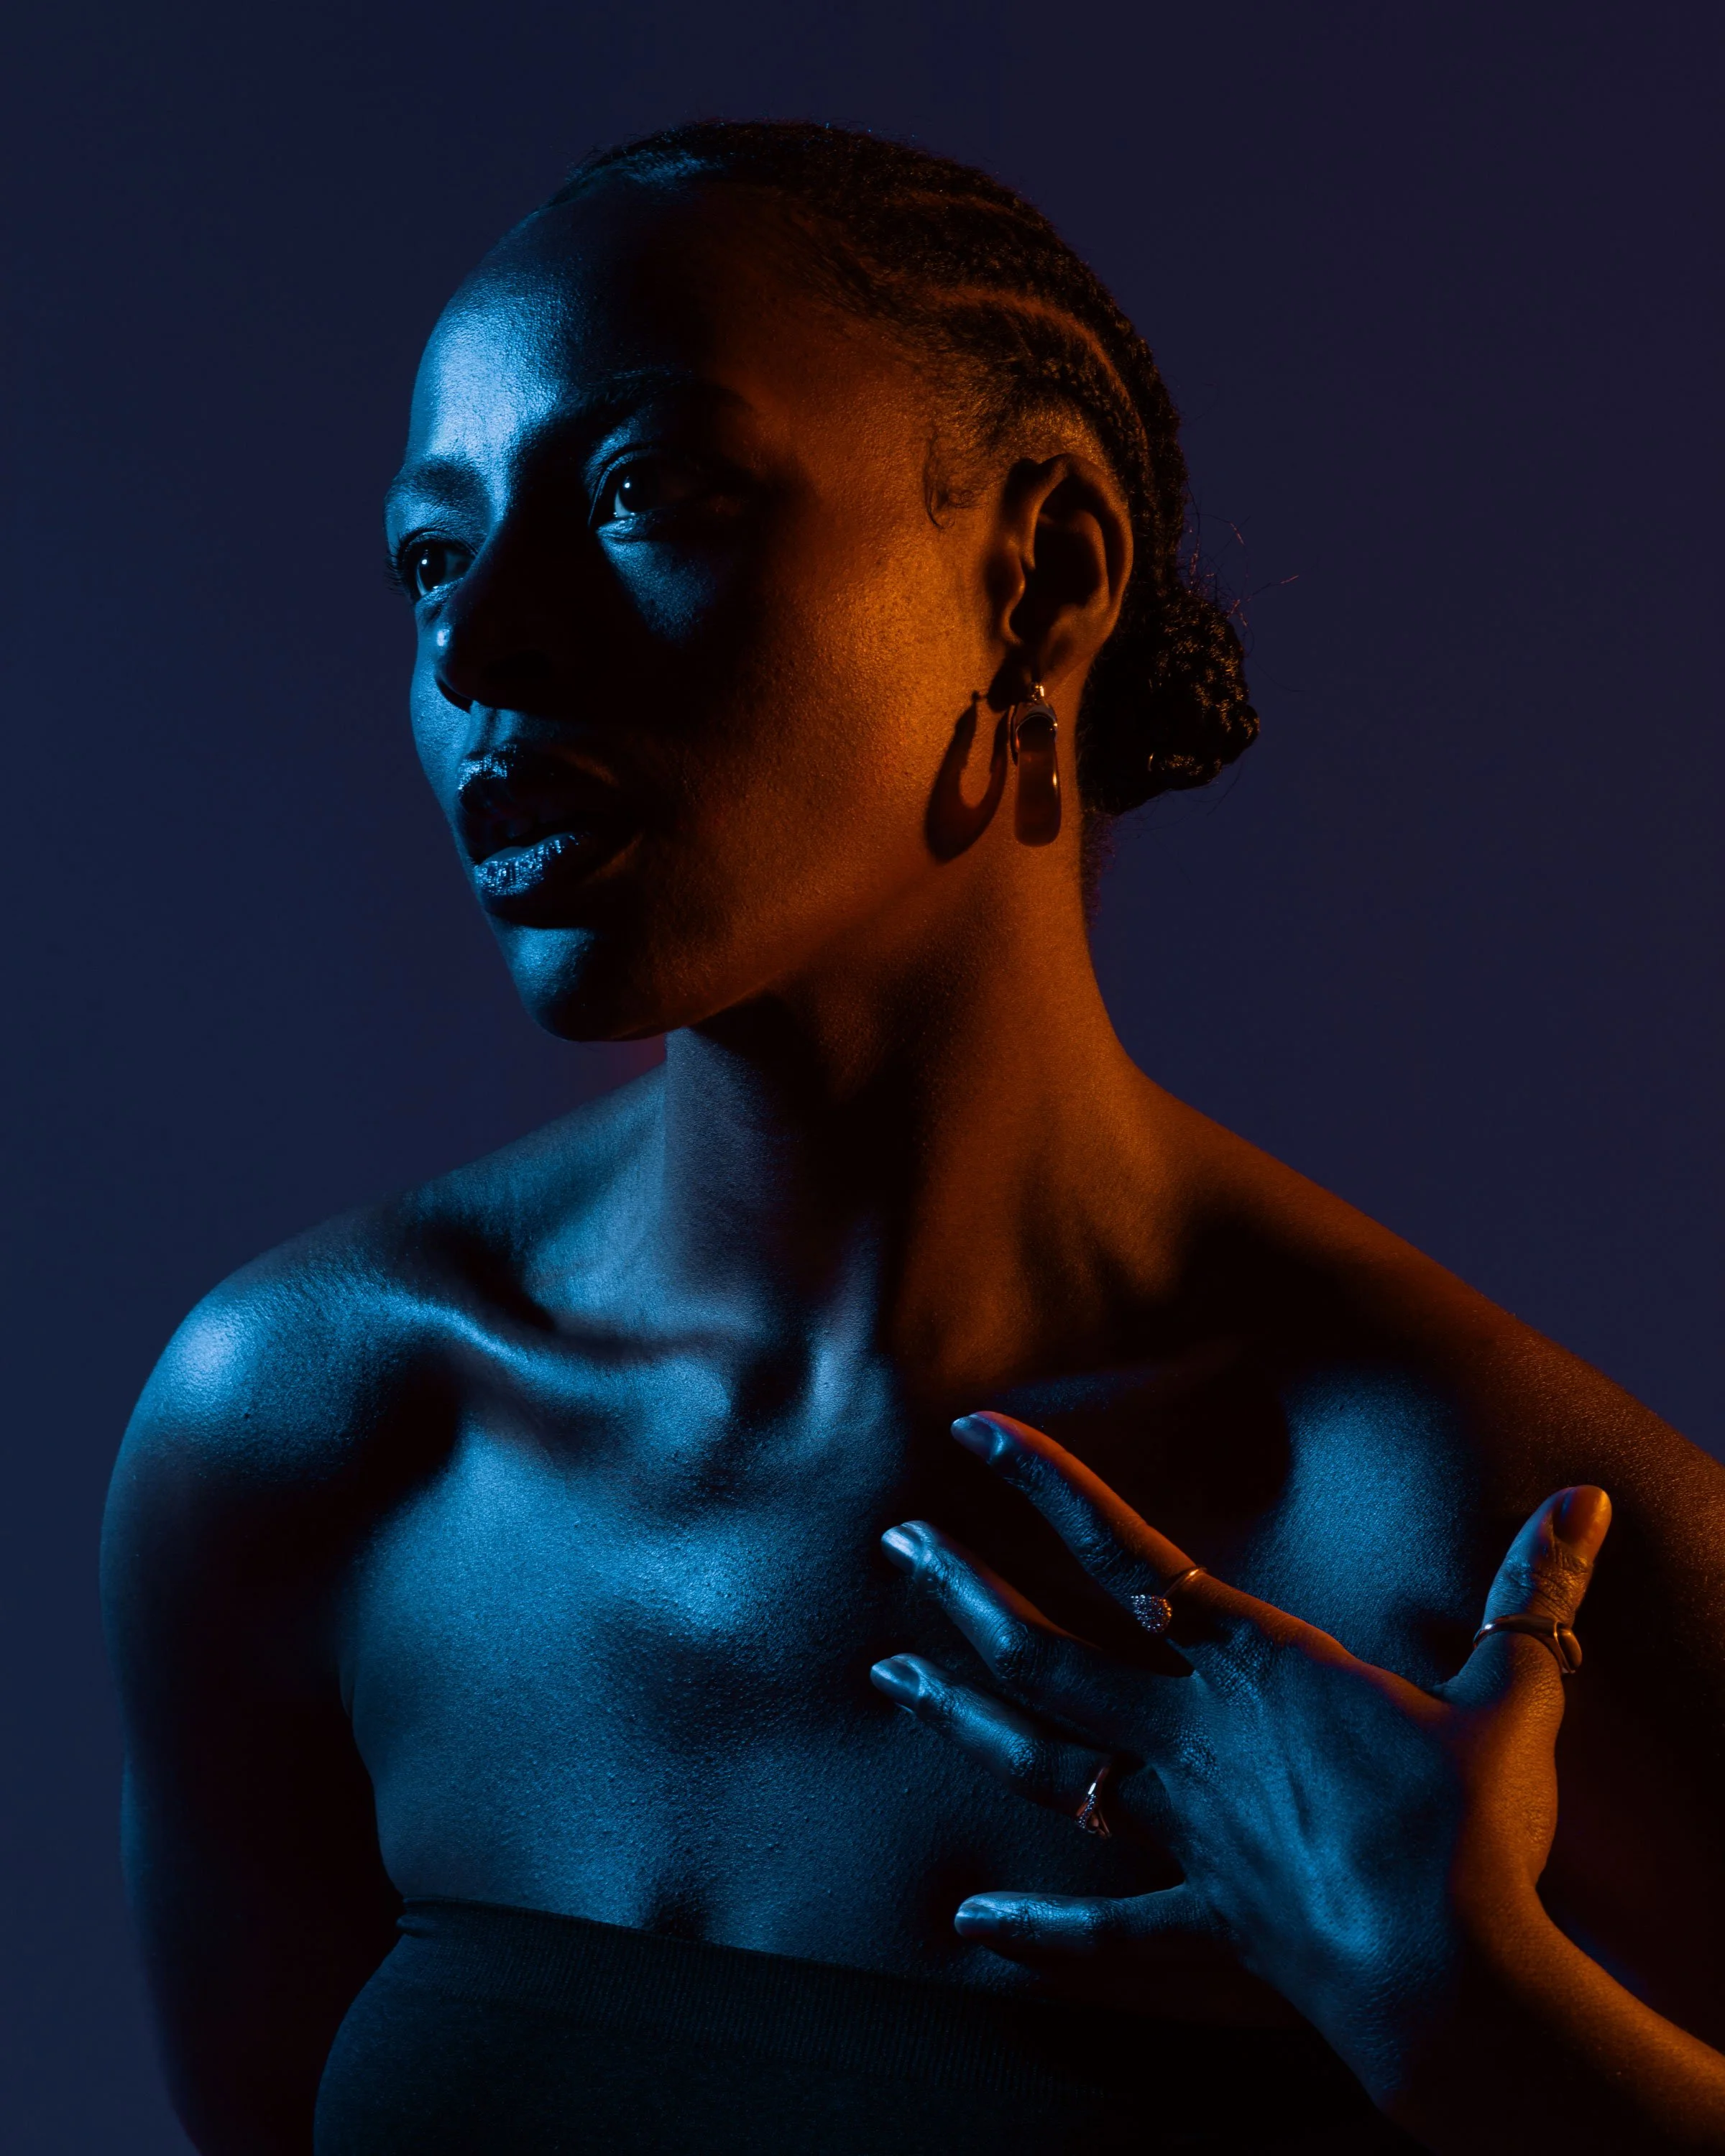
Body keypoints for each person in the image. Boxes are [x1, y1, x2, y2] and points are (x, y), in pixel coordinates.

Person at [101, 122, 1725, 2155]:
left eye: (641, 494)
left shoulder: (1471, 1553)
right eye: (432, 552)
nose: (475, 642)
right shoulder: (318, 1444)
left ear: (1041, 571)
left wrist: (1466, 2016)